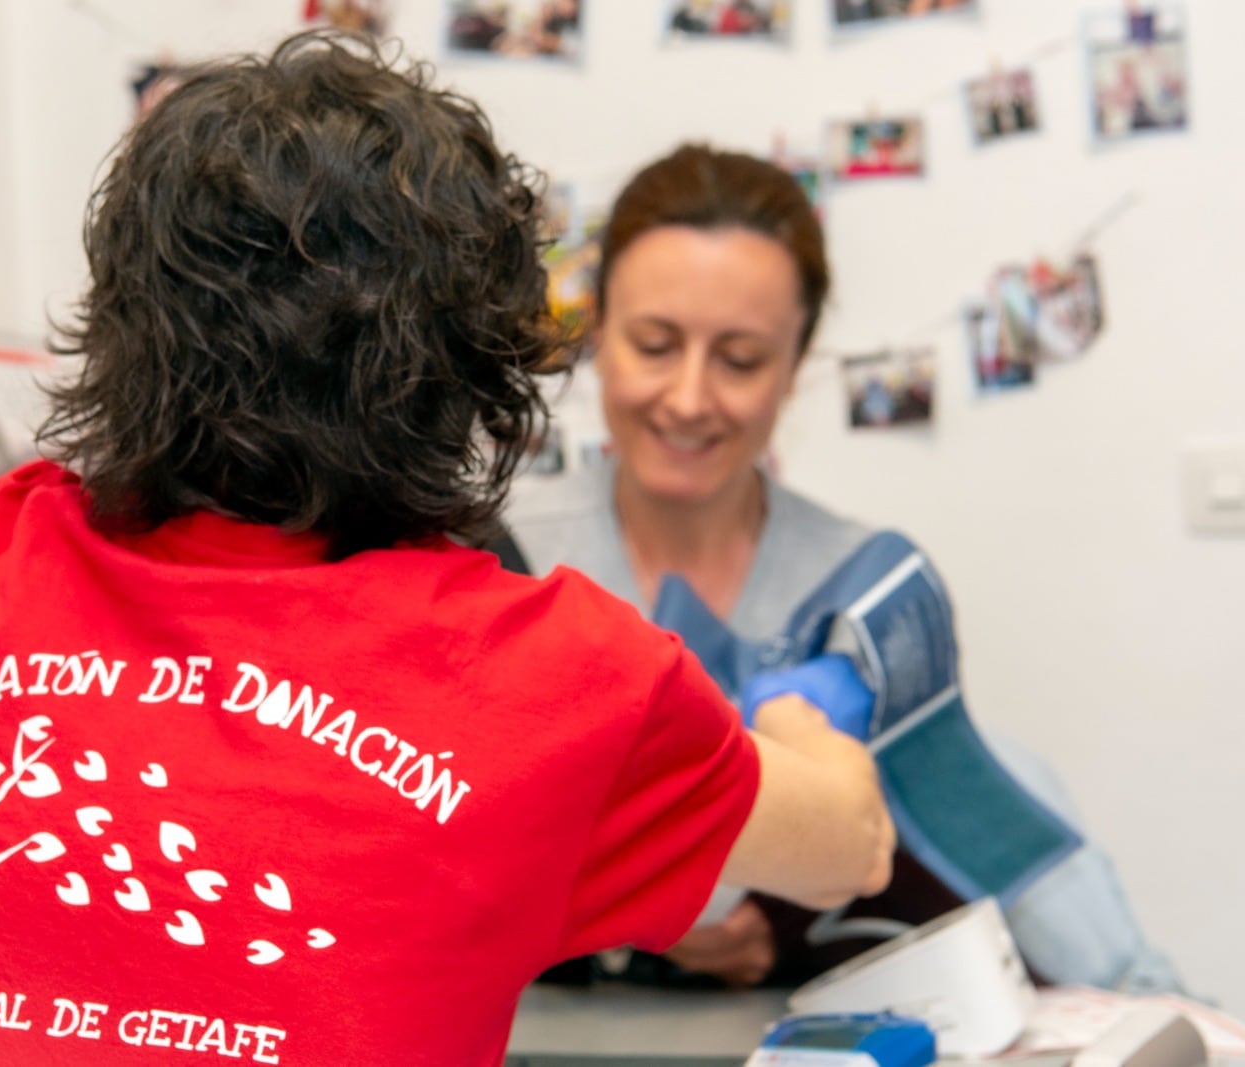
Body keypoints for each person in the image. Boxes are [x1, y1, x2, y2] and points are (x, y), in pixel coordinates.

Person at [0, 35, 893, 1066]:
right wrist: (804, 722)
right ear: (475, 364)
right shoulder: (554, 679)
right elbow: (850, 845)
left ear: (123, 321)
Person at [504, 143, 1185, 995]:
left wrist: (1156, 1014)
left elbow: (991, 820)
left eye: (741, 359)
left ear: (798, 366)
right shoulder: (504, 561)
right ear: (599, 332)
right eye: (654, 344)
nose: (687, 397)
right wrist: (638, 913)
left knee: (1008, 765)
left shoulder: (862, 588)